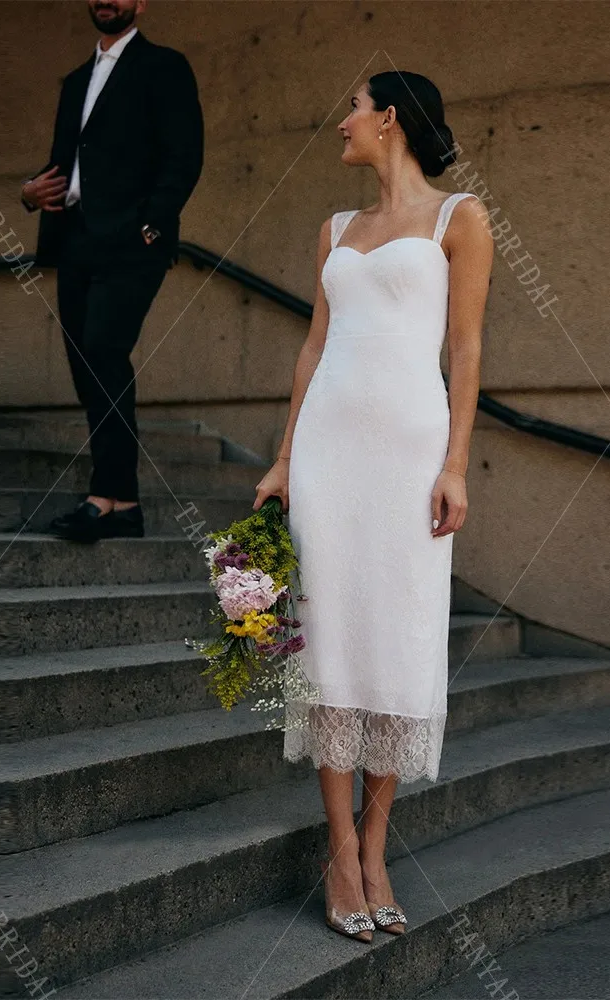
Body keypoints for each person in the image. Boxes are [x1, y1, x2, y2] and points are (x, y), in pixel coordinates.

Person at [252, 70, 493, 943]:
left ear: (389, 118)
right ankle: (340, 850)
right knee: (331, 635)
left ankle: (379, 843)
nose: (341, 124)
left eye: (351, 108)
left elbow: (465, 347)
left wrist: (456, 465)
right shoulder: (335, 229)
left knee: (399, 635)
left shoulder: (458, 218)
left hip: (409, 456)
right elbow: (315, 345)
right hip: (327, 456)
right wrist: (282, 458)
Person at [21, 0, 203, 542]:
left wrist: (150, 225)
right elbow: (72, 160)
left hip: (131, 242)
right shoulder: (76, 79)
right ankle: (123, 506)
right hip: (75, 237)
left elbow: (184, 155)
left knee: (103, 349)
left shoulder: (164, 66)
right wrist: (30, 194)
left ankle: (104, 496)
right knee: (85, 362)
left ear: (140, 3)